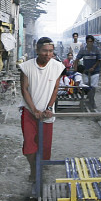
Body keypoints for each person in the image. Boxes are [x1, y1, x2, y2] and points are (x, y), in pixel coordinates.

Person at [19, 37, 64, 181]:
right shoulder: (27, 66)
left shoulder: (57, 67)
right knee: (29, 145)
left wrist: (49, 107)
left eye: (51, 51)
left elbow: (55, 89)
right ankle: (33, 169)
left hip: (47, 113)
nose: (48, 54)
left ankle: (39, 170)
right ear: (37, 50)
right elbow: (24, 89)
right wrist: (34, 110)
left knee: (44, 147)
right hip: (29, 111)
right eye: (45, 51)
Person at [74, 35, 101, 109]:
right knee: (86, 86)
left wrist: (93, 67)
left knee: (93, 86)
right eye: (88, 41)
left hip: (95, 71)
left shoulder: (96, 49)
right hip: (86, 71)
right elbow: (77, 59)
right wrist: (76, 67)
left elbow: (99, 60)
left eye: (91, 41)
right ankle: (89, 100)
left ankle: (92, 101)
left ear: (93, 42)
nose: (90, 43)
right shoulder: (83, 49)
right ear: (86, 42)